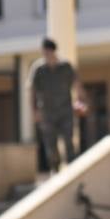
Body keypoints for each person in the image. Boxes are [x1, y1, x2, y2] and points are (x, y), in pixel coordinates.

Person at [26, 38, 85, 174]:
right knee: (50, 144)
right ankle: (55, 170)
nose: (46, 55)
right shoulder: (38, 69)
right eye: (44, 52)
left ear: (53, 51)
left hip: (65, 111)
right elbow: (32, 91)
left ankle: (72, 170)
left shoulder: (66, 67)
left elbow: (77, 85)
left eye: (48, 52)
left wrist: (81, 102)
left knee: (69, 141)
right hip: (47, 112)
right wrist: (34, 111)